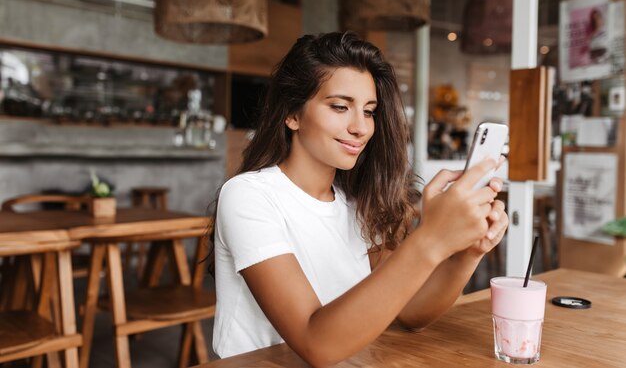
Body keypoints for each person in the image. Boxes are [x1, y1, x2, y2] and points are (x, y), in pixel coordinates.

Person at [211, 32, 508, 366]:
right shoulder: (248, 196)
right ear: (292, 115)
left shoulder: (355, 202)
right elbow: (316, 343)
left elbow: (411, 312)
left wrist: (466, 253)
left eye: (369, 111)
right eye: (340, 107)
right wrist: (431, 238)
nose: (361, 128)